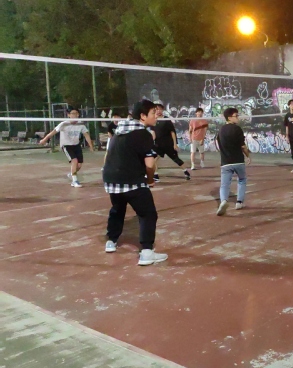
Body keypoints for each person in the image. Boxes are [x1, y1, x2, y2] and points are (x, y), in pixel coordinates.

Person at [103, 100, 167, 266]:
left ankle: (111, 241)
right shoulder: (143, 134)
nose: (157, 116)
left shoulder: (118, 131)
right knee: (148, 214)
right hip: (131, 180)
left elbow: (108, 156)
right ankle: (146, 252)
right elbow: (150, 165)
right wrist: (150, 180)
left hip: (111, 179)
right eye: (153, 113)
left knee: (117, 209)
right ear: (143, 116)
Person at [39, 107, 94, 187]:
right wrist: (44, 139)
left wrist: (91, 146)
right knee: (74, 161)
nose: (75, 115)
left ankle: (72, 174)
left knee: (79, 165)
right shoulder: (64, 124)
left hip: (76, 145)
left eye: (76, 113)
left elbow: (86, 135)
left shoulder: (80, 124)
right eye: (73, 114)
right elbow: (53, 132)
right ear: (68, 115)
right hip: (66, 145)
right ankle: (74, 181)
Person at [215, 107, 251, 216]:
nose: (238, 118)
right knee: (242, 180)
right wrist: (248, 156)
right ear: (229, 117)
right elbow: (243, 146)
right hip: (238, 161)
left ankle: (223, 201)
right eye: (236, 116)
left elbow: (218, 145)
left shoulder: (220, 130)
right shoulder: (237, 129)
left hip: (225, 162)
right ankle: (239, 202)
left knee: (224, 185)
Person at [152, 103, 190, 182]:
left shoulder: (166, 120)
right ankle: (156, 175)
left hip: (168, 144)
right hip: (158, 145)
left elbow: (172, 132)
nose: (158, 111)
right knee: (153, 160)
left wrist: (175, 144)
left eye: (159, 109)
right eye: (156, 109)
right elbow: (153, 133)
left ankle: (186, 172)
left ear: (162, 110)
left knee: (176, 159)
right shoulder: (153, 120)